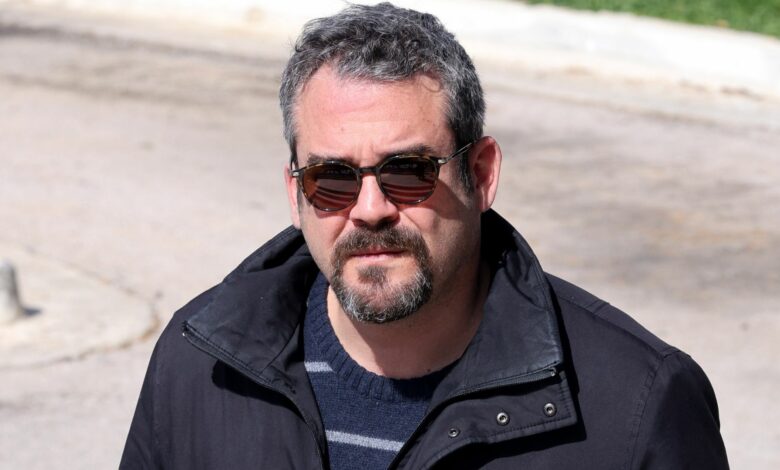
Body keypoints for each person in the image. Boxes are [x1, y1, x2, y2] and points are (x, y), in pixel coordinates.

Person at [120, 3, 729, 469]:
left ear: (481, 175)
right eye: (332, 179)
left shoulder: (636, 405)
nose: (370, 209)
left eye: (408, 172)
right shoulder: (199, 367)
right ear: (294, 192)